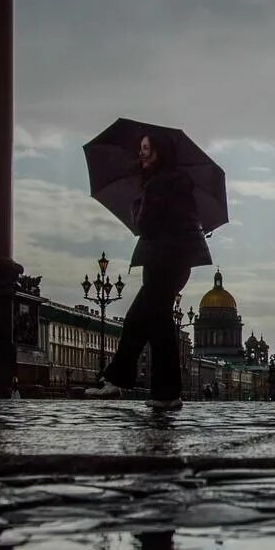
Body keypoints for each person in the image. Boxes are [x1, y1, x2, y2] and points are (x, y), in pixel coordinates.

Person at [86, 133, 210, 412]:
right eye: (140, 148)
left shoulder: (159, 185)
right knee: (147, 323)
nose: (140, 154)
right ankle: (125, 383)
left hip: (164, 261)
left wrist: (137, 202)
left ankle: (157, 391)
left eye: (146, 150)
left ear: (160, 154)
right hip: (176, 262)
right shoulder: (176, 185)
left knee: (149, 324)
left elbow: (147, 227)